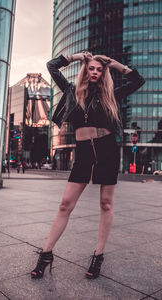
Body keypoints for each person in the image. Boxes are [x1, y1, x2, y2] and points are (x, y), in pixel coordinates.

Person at [31, 51, 145, 279]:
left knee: (105, 204)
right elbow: (51, 66)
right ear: (86, 69)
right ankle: (46, 253)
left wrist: (114, 64)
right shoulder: (72, 90)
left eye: (99, 69)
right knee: (65, 204)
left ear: (103, 73)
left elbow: (138, 81)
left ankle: (98, 254)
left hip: (107, 149)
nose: (95, 72)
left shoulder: (111, 94)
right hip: (83, 153)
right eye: (91, 68)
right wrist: (74, 57)